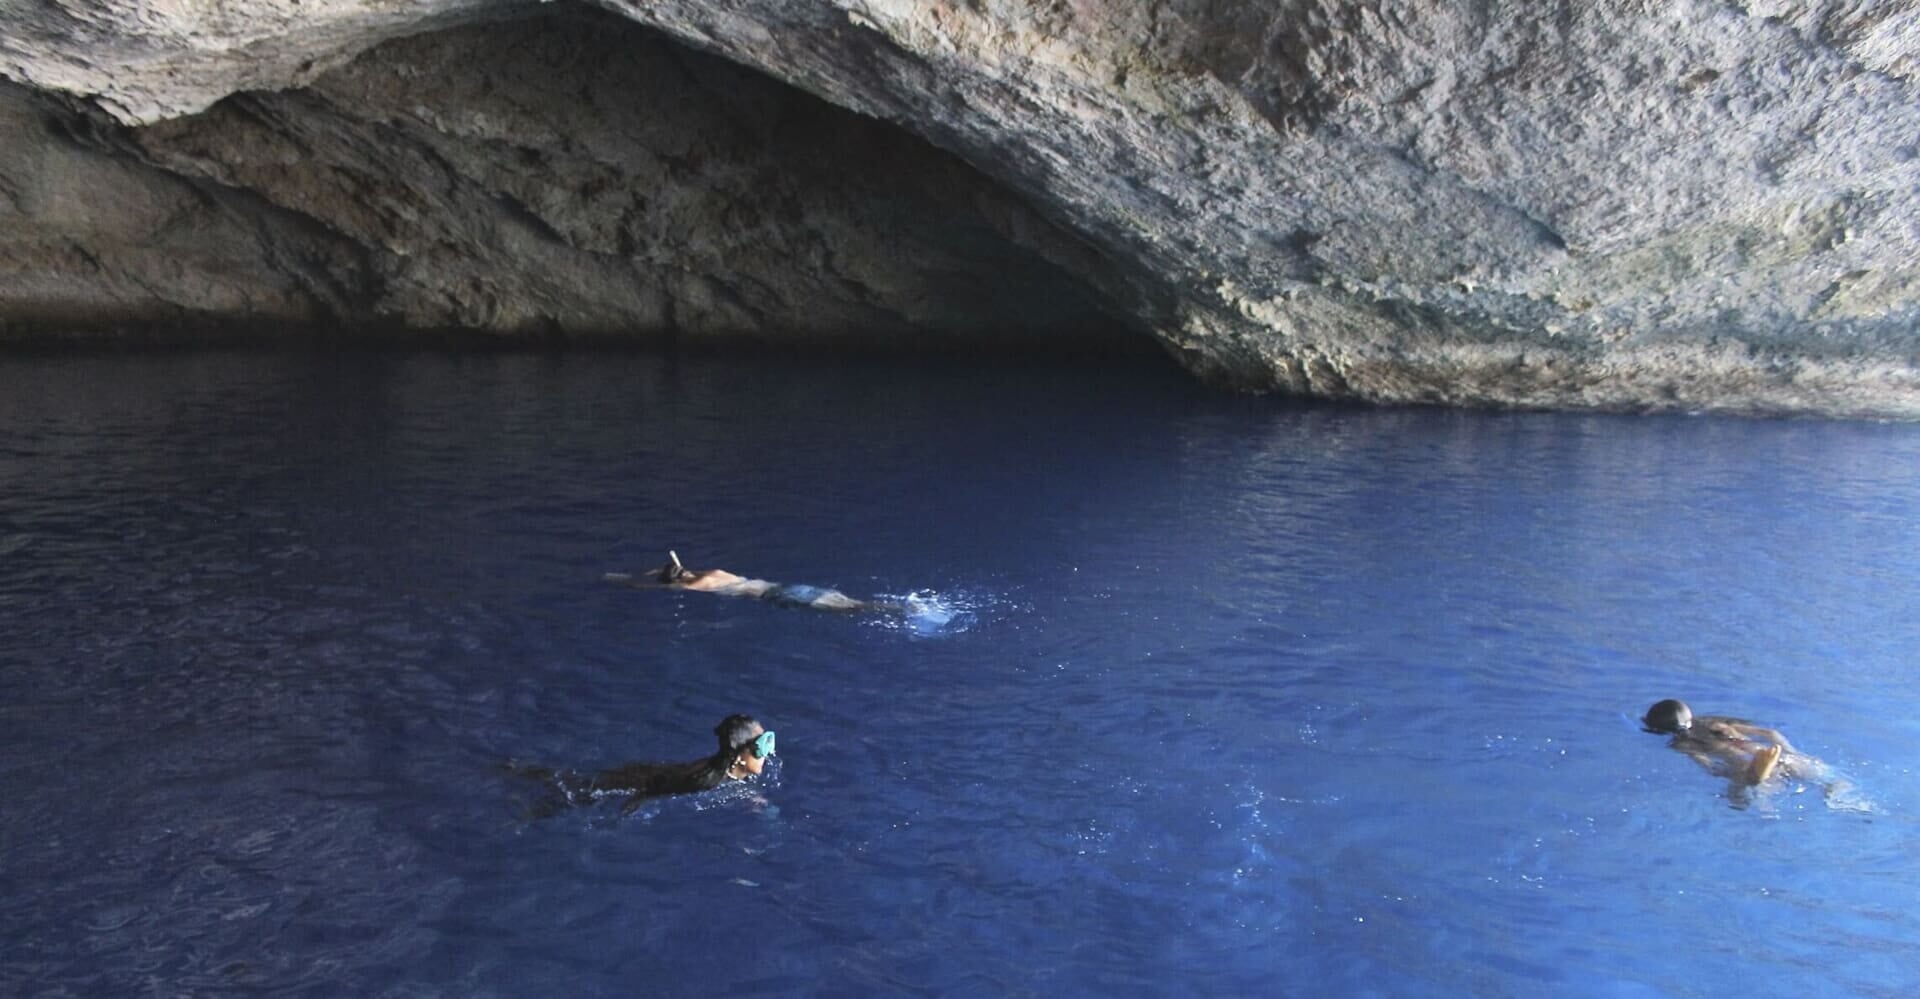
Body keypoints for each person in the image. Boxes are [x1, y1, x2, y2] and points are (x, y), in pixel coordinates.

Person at [511, 714, 776, 816]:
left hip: (654, 772)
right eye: (761, 747)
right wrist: (634, 805)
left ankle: (525, 772)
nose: (768, 753)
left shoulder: (724, 768)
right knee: (578, 794)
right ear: (740, 756)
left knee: (576, 782)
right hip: (641, 782)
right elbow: (663, 789)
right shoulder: (707, 781)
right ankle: (529, 812)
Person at [605, 551, 891, 613]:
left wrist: (625, 580)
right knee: (852, 603)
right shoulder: (714, 572)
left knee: (852, 610)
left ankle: (896, 612)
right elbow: (674, 575)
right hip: (786, 586)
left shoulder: (696, 587)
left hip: (777, 597)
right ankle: (898, 609)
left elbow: (651, 586)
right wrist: (663, 569)